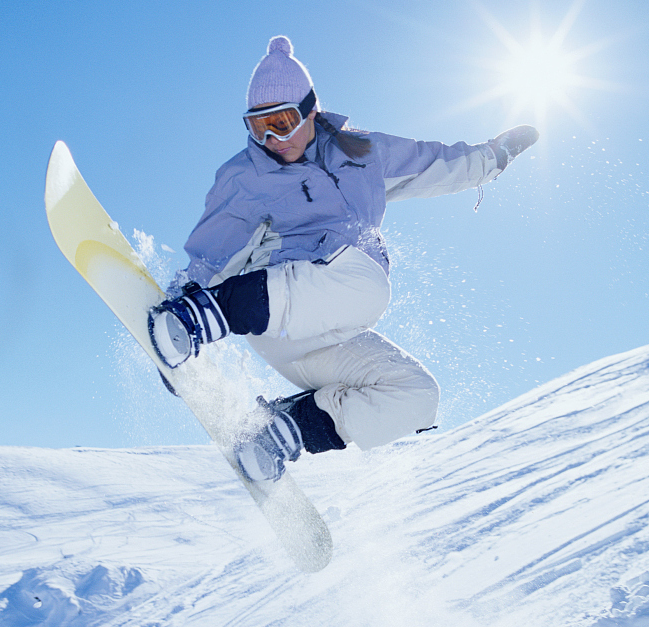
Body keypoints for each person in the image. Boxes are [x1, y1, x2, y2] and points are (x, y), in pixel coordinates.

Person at [148, 35, 538, 484]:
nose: (272, 139)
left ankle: (282, 431)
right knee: (370, 285)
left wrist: (493, 156)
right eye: (259, 128)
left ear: (311, 109)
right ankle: (211, 315)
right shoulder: (245, 177)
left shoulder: (365, 154)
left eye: (282, 121)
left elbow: (435, 162)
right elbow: (212, 254)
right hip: (275, 315)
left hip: (331, 331)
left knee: (417, 395)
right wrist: (181, 324)